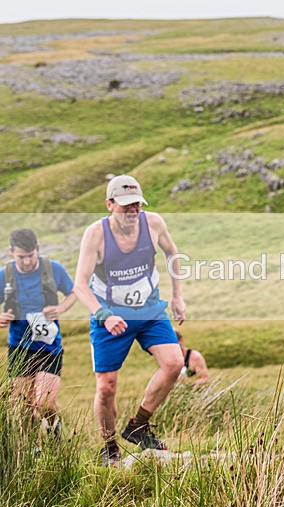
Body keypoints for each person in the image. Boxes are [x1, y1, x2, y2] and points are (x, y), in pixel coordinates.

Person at [73, 174, 187, 465]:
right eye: (125, 206)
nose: (132, 211)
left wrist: (177, 297)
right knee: (106, 386)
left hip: (148, 310)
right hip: (110, 315)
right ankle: (109, 445)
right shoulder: (95, 234)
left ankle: (139, 424)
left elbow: (173, 254)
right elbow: (80, 285)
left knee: (174, 362)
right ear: (109, 204)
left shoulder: (154, 223)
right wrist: (104, 315)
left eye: (136, 204)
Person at [0, 228, 77, 438]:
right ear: (11, 252)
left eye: (30, 256)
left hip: (49, 346)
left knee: (44, 402)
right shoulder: (4, 275)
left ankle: (54, 427)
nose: (26, 262)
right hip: (19, 347)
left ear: (38, 249)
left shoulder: (53, 270)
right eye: (21, 257)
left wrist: (60, 309)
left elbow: (72, 293)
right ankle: (32, 448)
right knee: (23, 406)